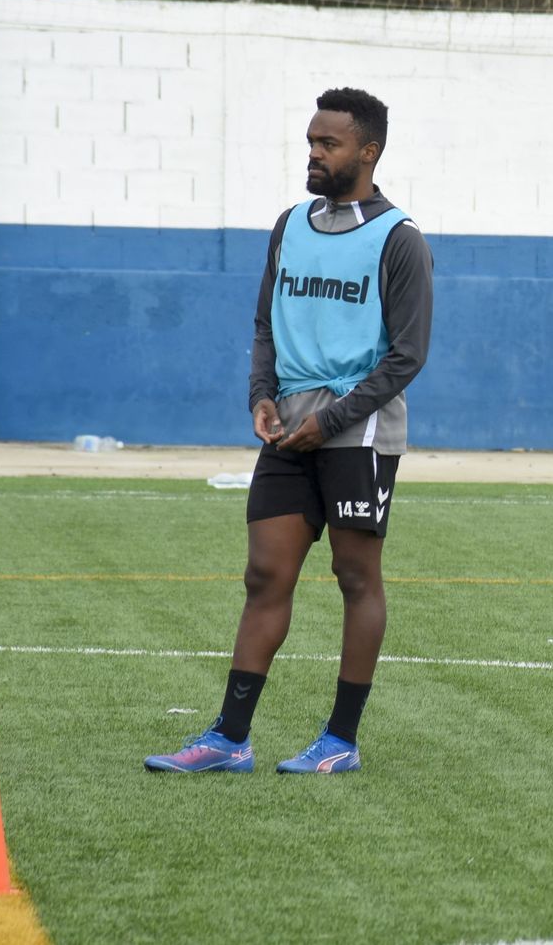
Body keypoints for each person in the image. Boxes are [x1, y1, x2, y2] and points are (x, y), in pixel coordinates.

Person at [147, 87, 433, 774]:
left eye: (327, 144)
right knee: (264, 573)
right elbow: (264, 324)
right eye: (310, 141)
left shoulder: (400, 239)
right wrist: (262, 396)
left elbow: (407, 355)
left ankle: (340, 740)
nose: (313, 153)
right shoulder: (290, 225)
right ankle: (229, 738)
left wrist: (329, 421)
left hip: (357, 428)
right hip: (288, 427)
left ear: (367, 152)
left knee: (355, 576)